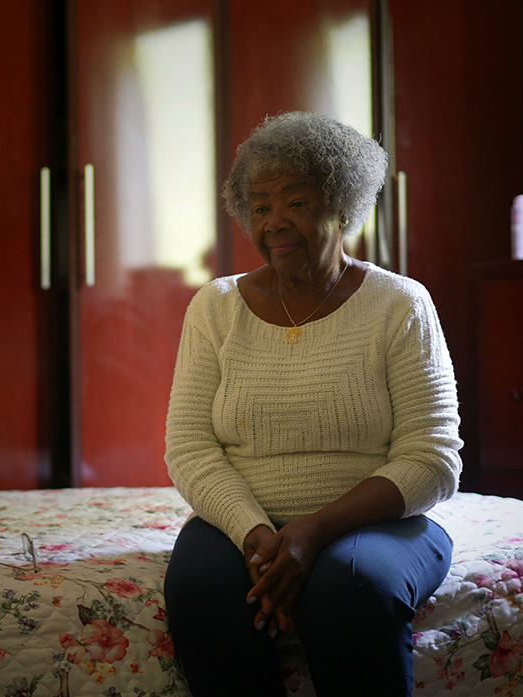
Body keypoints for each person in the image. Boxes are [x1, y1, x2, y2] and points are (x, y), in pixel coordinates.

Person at [162, 111, 463, 697]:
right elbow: (189, 445)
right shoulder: (215, 308)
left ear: (343, 207)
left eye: (297, 203)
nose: (275, 223)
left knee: (351, 590)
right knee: (201, 591)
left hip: (374, 523)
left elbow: (432, 458)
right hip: (239, 523)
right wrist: (254, 531)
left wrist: (310, 532)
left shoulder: (399, 304)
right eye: (260, 206)